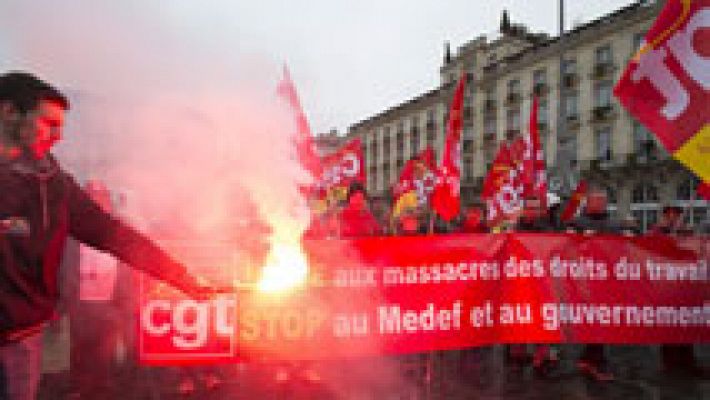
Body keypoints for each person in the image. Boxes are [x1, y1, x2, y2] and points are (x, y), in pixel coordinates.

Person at [0, 71, 218, 400]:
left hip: (20, 344)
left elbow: (114, 235)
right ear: (9, 113)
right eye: (49, 123)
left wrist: (180, 276)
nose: (58, 136)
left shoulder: (55, 184)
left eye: (61, 126)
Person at [570, 188, 617, 382]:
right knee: (591, 320)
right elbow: (565, 245)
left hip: (606, 279)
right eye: (595, 201)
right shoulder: (576, 223)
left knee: (600, 321)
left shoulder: (613, 224)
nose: (599, 205)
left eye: (602, 201)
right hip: (584, 278)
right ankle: (594, 359)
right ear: (587, 203)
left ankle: (591, 357)